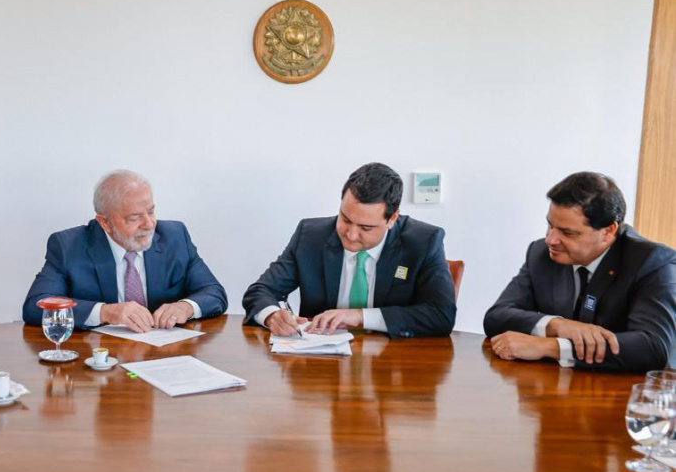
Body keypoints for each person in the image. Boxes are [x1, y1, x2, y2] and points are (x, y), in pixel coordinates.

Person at [484, 172, 676, 372]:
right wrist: (557, 325)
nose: (551, 239)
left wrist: (554, 347)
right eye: (550, 225)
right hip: (556, 389)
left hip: (627, 393)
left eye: (567, 233)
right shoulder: (541, 254)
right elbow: (497, 317)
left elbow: (653, 347)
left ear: (608, 231)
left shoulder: (653, 262)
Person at [242, 162, 456, 338]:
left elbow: (441, 315)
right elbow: (260, 291)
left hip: (393, 369)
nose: (351, 235)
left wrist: (360, 316)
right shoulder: (310, 236)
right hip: (320, 366)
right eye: (345, 219)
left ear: (392, 219)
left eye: (366, 228)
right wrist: (272, 316)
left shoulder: (423, 241)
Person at [23, 170, 227, 332]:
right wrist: (105, 312)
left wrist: (186, 306)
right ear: (104, 222)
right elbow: (36, 306)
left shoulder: (175, 237)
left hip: (163, 357)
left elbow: (214, 293)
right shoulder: (68, 246)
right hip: (97, 364)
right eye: (134, 218)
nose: (149, 224)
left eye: (151, 211)